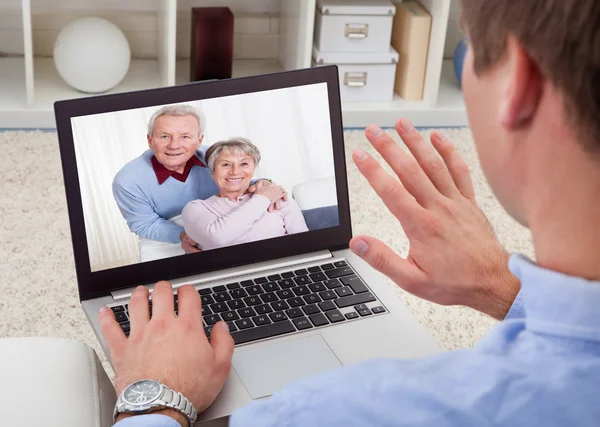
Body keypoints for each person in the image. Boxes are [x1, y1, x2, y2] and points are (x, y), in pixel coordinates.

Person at [100, 0, 600, 425]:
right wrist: (507, 292)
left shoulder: (340, 409)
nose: (231, 170)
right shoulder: (184, 199)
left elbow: (285, 230)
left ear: (519, 82)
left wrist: (154, 400)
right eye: (224, 164)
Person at [112, 104, 286, 254]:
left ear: (199, 140)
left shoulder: (215, 156)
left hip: (227, 219)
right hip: (172, 235)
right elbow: (145, 224)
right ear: (150, 140)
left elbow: (241, 177)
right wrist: (184, 235)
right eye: (165, 136)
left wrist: (264, 183)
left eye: (185, 137)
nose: (174, 145)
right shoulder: (127, 180)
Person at [182, 138, 309, 251]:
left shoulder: (278, 198)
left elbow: (303, 244)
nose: (235, 171)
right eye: (226, 164)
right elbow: (217, 237)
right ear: (213, 172)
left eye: (244, 164)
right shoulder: (195, 208)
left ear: (253, 169)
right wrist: (262, 199)